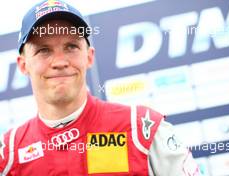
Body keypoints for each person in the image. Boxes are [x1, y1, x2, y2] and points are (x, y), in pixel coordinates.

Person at [0, 0, 199, 175]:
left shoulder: (143, 130)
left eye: (71, 46)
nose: (60, 62)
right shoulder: (8, 154)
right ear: (23, 65)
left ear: (89, 56)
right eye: (44, 50)